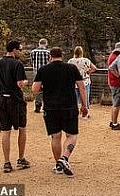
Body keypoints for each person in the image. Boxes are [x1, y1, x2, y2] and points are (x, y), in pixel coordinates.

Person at [32, 47, 88, 177]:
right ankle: (65, 158)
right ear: (62, 56)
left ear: (50, 57)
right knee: (72, 135)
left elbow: (35, 89)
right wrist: (84, 105)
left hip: (50, 107)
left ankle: (58, 164)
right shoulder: (71, 68)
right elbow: (81, 87)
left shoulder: (43, 70)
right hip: (69, 106)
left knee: (55, 136)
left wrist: (45, 89)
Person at [0, 39, 30, 173]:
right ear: (14, 50)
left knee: (5, 132)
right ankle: (21, 158)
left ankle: (7, 162)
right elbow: (20, 84)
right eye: (20, 49)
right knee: (22, 129)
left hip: (2, 100)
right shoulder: (17, 64)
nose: (21, 52)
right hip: (16, 100)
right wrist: (25, 81)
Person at [68, 46, 97, 119]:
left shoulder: (71, 61)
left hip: (73, 82)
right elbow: (94, 68)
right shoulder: (86, 60)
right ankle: (85, 113)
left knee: (74, 98)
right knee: (85, 97)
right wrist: (88, 71)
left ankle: (73, 113)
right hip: (84, 81)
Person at [107, 41, 120, 130]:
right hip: (116, 82)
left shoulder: (112, 55)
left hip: (112, 82)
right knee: (117, 103)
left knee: (115, 102)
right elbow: (112, 69)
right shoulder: (115, 57)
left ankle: (113, 121)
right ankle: (114, 123)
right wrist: (119, 76)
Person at [30, 38, 50, 113]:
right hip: (47, 73)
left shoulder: (33, 52)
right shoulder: (48, 52)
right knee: (47, 90)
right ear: (46, 44)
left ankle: (38, 105)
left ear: (39, 43)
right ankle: (46, 106)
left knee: (38, 90)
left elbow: (32, 62)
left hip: (36, 73)